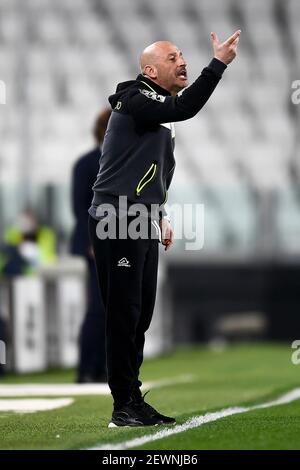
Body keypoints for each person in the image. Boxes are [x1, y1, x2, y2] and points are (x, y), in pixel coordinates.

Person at [88, 31, 241, 427]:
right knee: (124, 313)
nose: (182, 61)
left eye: (182, 55)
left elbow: (154, 173)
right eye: (173, 57)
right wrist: (218, 64)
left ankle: (132, 399)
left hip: (138, 217)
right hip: (115, 216)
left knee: (140, 314)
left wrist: (159, 214)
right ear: (151, 70)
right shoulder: (134, 97)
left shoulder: (160, 117)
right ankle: (123, 404)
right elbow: (186, 107)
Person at [70, 109, 111, 383]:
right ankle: (87, 368)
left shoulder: (116, 160)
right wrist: (92, 241)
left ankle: (101, 368)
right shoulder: (87, 163)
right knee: (98, 306)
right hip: (96, 244)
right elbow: (80, 207)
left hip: (117, 240)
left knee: (110, 307)